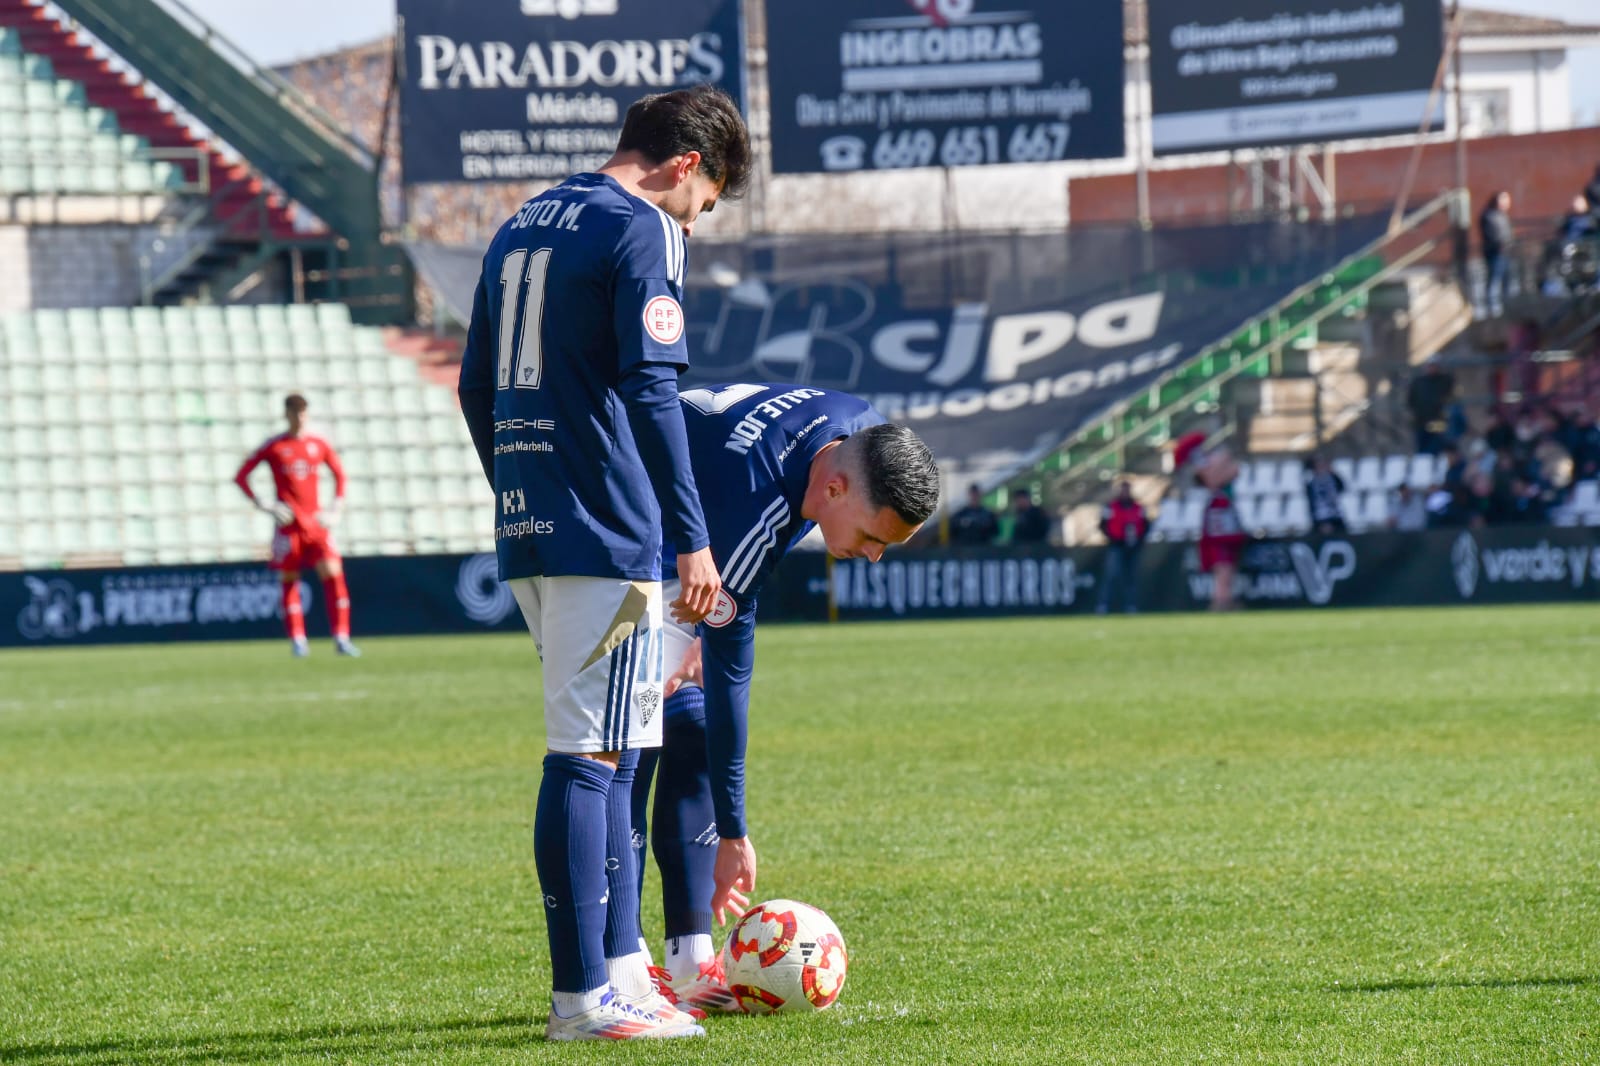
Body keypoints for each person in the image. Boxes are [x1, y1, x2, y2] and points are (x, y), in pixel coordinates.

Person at [457, 85, 751, 1043]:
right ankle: (585, 998)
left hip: (533, 522)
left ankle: (620, 969)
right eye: (702, 208)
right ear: (685, 166)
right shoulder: (643, 228)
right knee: (589, 756)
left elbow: (475, 384)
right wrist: (692, 536)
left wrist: (521, 487)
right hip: (609, 527)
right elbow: (657, 390)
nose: (693, 229)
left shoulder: (522, 222)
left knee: (610, 747)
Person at [627, 383, 939, 1014]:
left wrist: (700, 633)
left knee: (685, 725)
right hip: (616, 527)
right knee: (625, 746)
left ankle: (689, 963)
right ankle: (622, 970)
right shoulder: (758, 503)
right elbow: (732, 674)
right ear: (835, 490)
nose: (874, 558)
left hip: (684, 531)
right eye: (876, 538)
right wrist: (734, 833)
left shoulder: (864, 433)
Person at [233, 393, 358, 658]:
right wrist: (265, 504)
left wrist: (335, 508)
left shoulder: (318, 444)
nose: (301, 419)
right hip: (289, 526)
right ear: (287, 415)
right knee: (290, 581)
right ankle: (298, 641)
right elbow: (241, 476)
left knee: (334, 576)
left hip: (316, 524)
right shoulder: (275, 446)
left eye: (304, 414)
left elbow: (340, 475)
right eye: (296, 414)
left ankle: (341, 637)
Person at [1174, 432, 1245, 611]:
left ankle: (1223, 600)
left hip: (1225, 523)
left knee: (1227, 566)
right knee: (1222, 567)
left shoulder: (1209, 469)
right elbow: (1220, 474)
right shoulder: (1206, 474)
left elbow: (1233, 468)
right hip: (1219, 528)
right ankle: (1220, 602)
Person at [1095, 480, 1147, 614]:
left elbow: (1145, 525)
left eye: (1127, 490)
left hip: (1133, 547)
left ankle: (1131, 606)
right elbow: (1102, 525)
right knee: (1111, 576)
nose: (1125, 493)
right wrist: (1112, 538)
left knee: (1131, 577)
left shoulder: (1137, 507)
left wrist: (1139, 540)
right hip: (1116, 545)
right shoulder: (1111, 507)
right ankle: (1103, 605)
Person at [1406, 360, 1456, 456]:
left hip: (1437, 421)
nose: (1432, 369)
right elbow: (1411, 400)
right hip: (1421, 421)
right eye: (1430, 366)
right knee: (1422, 448)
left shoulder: (1443, 380)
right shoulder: (1419, 382)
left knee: (1437, 444)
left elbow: (1450, 394)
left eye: (1434, 366)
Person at [1478, 190, 1512, 318]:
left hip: (1506, 252)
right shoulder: (1489, 215)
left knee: (1507, 280)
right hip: (1495, 253)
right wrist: (1500, 244)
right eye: (1503, 199)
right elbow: (1492, 235)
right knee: (1494, 280)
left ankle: (1507, 307)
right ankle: (1491, 308)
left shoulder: (1502, 215)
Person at [1302, 454, 1347, 535]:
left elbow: (1342, 488)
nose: (1322, 468)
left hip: (1336, 518)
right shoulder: (1312, 484)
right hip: (1321, 520)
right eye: (1319, 465)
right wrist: (1322, 523)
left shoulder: (1332, 479)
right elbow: (1313, 504)